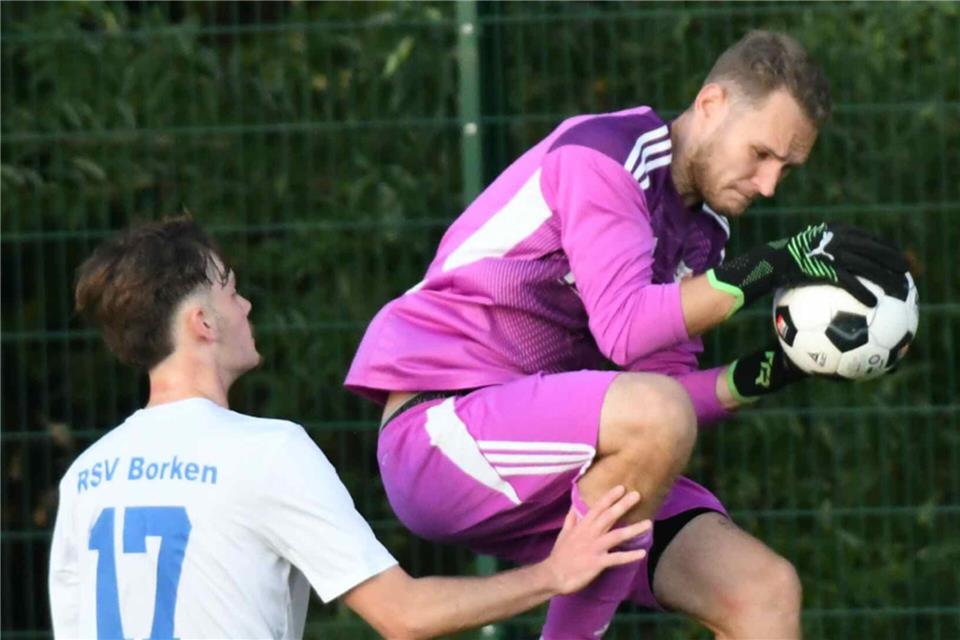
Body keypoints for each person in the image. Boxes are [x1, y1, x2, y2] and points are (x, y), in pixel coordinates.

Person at [345, 30, 909, 639]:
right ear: (712, 104)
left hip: (555, 469)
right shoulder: (606, 156)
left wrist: (764, 373)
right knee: (656, 416)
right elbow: (624, 331)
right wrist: (769, 264)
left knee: (761, 591)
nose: (769, 184)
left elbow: (661, 397)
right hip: (440, 437)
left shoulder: (703, 231)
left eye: (787, 169)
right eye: (761, 154)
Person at [47, 216, 654, 640]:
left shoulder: (86, 479)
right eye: (230, 291)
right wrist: (556, 572)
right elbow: (403, 616)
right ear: (203, 322)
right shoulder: (265, 453)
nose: (246, 306)